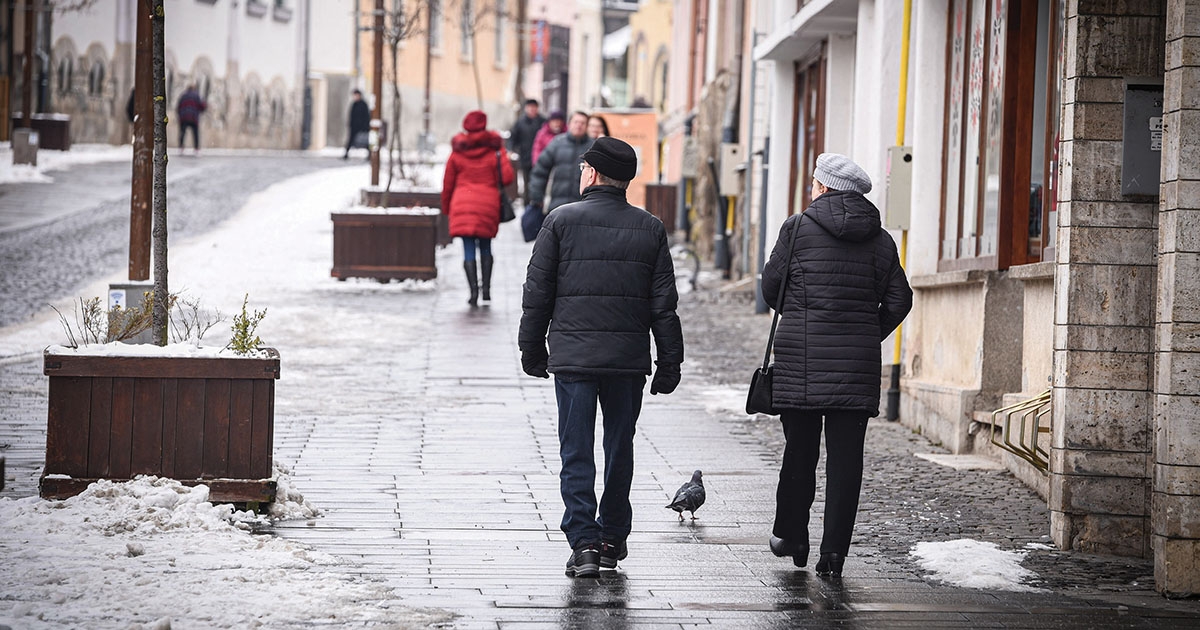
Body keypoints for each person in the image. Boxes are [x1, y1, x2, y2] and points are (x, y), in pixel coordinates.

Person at [519, 136, 684, 578]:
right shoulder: (649, 228)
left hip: (573, 361)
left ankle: (585, 543)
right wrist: (670, 362)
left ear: (591, 173)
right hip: (627, 362)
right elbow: (663, 305)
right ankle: (611, 537)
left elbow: (537, 295)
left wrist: (532, 349)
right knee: (619, 449)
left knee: (576, 452)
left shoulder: (559, 222)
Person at [759, 152, 913, 578]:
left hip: (800, 364)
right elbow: (901, 300)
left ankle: (792, 535)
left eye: (814, 182)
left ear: (823, 187)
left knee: (800, 453)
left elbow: (772, 290)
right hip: (856, 368)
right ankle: (834, 554)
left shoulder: (797, 228)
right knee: (847, 462)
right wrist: (866, 333)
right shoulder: (881, 239)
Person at [441, 110, 515, 306]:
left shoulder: (457, 151)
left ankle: (473, 292)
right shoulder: (494, 150)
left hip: (462, 202)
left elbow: (447, 183)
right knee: (485, 245)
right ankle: (487, 290)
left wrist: (447, 208)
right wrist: (502, 153)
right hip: (487, 203)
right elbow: (507, 178)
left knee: (467, 247)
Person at [527, 111, 591, 216]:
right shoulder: (557, 143)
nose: (579, 125)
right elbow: (540, 171)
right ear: (569, 124)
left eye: (582, 123)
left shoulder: (592, 147)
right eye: (576, 122)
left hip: (582, 207)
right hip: (557, 206)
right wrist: (537, 197)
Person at [507, 98, 547, 203]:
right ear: (526, 108)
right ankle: (527, 205)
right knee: (527, 183)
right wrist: (510, 149)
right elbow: (512, 138)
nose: (532, 110)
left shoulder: (542, 122)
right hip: (525, 158)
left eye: (534, 107)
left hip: (541, 158)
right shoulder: (520, 123)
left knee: (540, 183)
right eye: (530, 107)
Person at [176, 84, 206, 154]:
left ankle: (181, 147)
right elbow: (202, 106)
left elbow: (178, 107)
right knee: (195, 134)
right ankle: (196, 148)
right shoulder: (196, 95)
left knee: (182, 133)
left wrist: (180, 115)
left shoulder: (183, 95)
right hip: (193, 117)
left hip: (184, 117)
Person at [344, 89, 371, 160]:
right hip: (354, 126)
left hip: (362, 126)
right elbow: (352, 116)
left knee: (366, 142)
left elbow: (366, 116)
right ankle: (346, 154)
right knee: (350, 140)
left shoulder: (363, 104)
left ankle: (370, 155)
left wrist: (365, 126)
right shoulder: (354, 104)